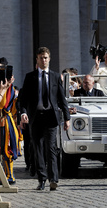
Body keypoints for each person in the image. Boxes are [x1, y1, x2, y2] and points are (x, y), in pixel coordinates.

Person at [20, 47, 70, 191]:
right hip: (35, 118)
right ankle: (41, 179)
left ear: (49, 59)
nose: (44, 60)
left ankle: (53, 179)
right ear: (37, 59)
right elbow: (23, 100)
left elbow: (61, 98)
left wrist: (67, 117)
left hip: (51, 117)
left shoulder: (55, 76)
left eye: (46, 57)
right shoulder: (30, 77)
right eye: (41, 58)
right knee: (38, 149)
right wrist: (23, 113)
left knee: (51, 149)